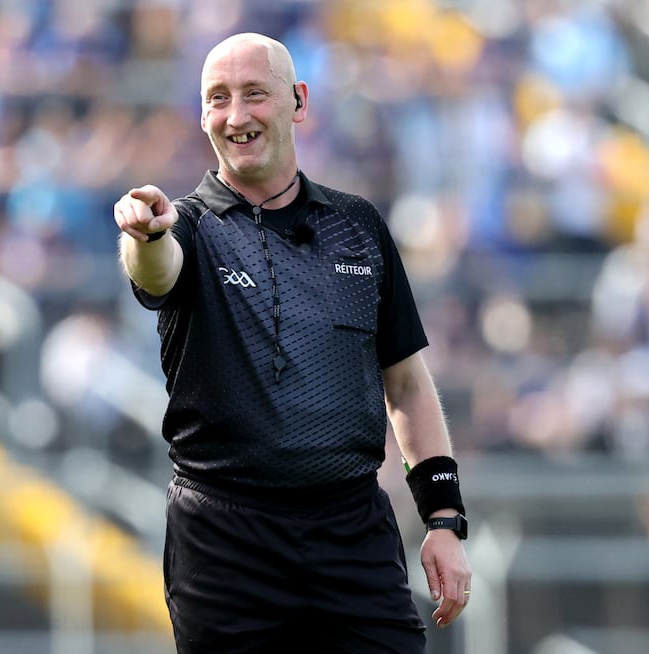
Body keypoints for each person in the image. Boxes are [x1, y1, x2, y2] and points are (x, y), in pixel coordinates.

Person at [113, 32, 472, 653]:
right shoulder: (187, 225)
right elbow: (156, 271)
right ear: (202, 115)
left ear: (298, 102)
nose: (236, 115)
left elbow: (407, 384)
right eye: (218, 99)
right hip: (225, 540)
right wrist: (145, 235)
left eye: (255, 94)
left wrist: (443, 519)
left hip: (350, 530)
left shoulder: (358, 226)